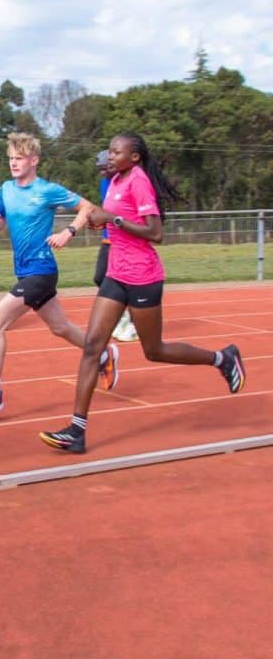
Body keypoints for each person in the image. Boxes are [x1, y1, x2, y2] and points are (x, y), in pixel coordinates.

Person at [40, 132, 246, 453]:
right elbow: (114, 221)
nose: (109, 156)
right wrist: (101, 222)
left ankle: (222, 358)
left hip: (142, 276)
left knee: (154, 350)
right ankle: (76, 431)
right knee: (93, 346)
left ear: (133, 157)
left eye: (115, 152)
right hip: (115, 274)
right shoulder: (116, 181)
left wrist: (113, 218)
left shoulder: (138, 181)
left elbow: (156, 232)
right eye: (108, 151)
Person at [0, 133, 119, 414]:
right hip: (25, 272)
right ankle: (104, 353)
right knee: (60, 328)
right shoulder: (8, 189)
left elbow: (88, 207)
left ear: (34, 160)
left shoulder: (47, 190)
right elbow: (0, 219)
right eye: (10, 158)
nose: (13, 163)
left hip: (42, 270)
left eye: (19, 158)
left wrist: (68, 232)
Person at [94, 149, 137, 342]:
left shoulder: (127, 182)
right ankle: (123, 316)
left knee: (126, 283)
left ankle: (132, 320)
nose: (102, 173)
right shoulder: (105, 183)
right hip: (107, 238)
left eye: (105, 169)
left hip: (123, 241)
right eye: (100, 169)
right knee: (100, 277)